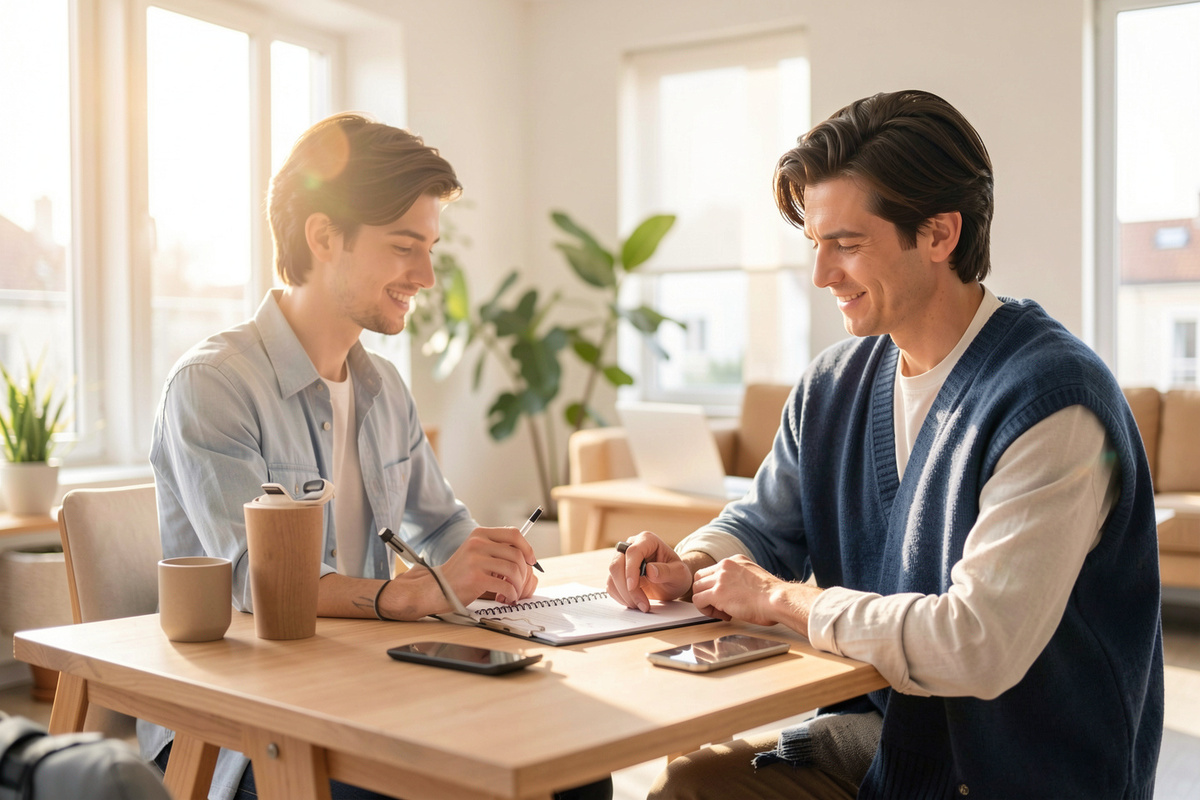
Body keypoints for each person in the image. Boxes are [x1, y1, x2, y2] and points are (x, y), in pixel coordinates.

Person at [609, 90, 1163, 799]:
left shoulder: (1055, 402)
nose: (821, 275)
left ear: (939, 235)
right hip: (894, 746)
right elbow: (763, 524)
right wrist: (690, 567)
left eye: (846, 243)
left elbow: (978, 645)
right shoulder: (834, 382)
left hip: (1019, 774)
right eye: (815, 244)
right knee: (694, 784)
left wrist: (784, 602)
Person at [144, 113, 610, 800]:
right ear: (324, 236)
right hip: (243, 731)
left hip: (362, 691)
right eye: (403, 246)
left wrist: (490, 560)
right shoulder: (214, 385)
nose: (425, 274)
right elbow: (254, 584)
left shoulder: (382, 387)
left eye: (430, 248)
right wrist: (406, 595)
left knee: (574, 771)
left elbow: (441, 526)